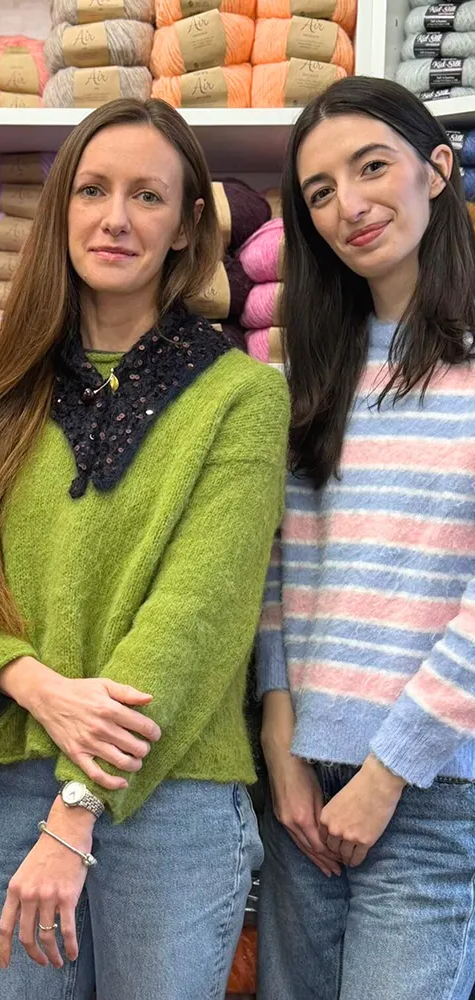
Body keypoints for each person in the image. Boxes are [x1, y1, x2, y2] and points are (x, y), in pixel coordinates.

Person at [0, 97, 289, 1000]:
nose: (115, 218)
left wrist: (77, 806)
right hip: (11, 783)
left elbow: (198, 616)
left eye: (147, 196)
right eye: (92, 190)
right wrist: (37, 685)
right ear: (62, 209)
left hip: (169, 794)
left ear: (187, 225)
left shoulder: (242, 398)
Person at [256, 76, 475, 1000]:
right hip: (302, 787)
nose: (348, 205)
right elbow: (276, 568)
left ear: (438, 168)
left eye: (371, 167)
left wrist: (387, 774)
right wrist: (280, 744)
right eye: (319, 191)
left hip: (427, 789)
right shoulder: (307, 369)